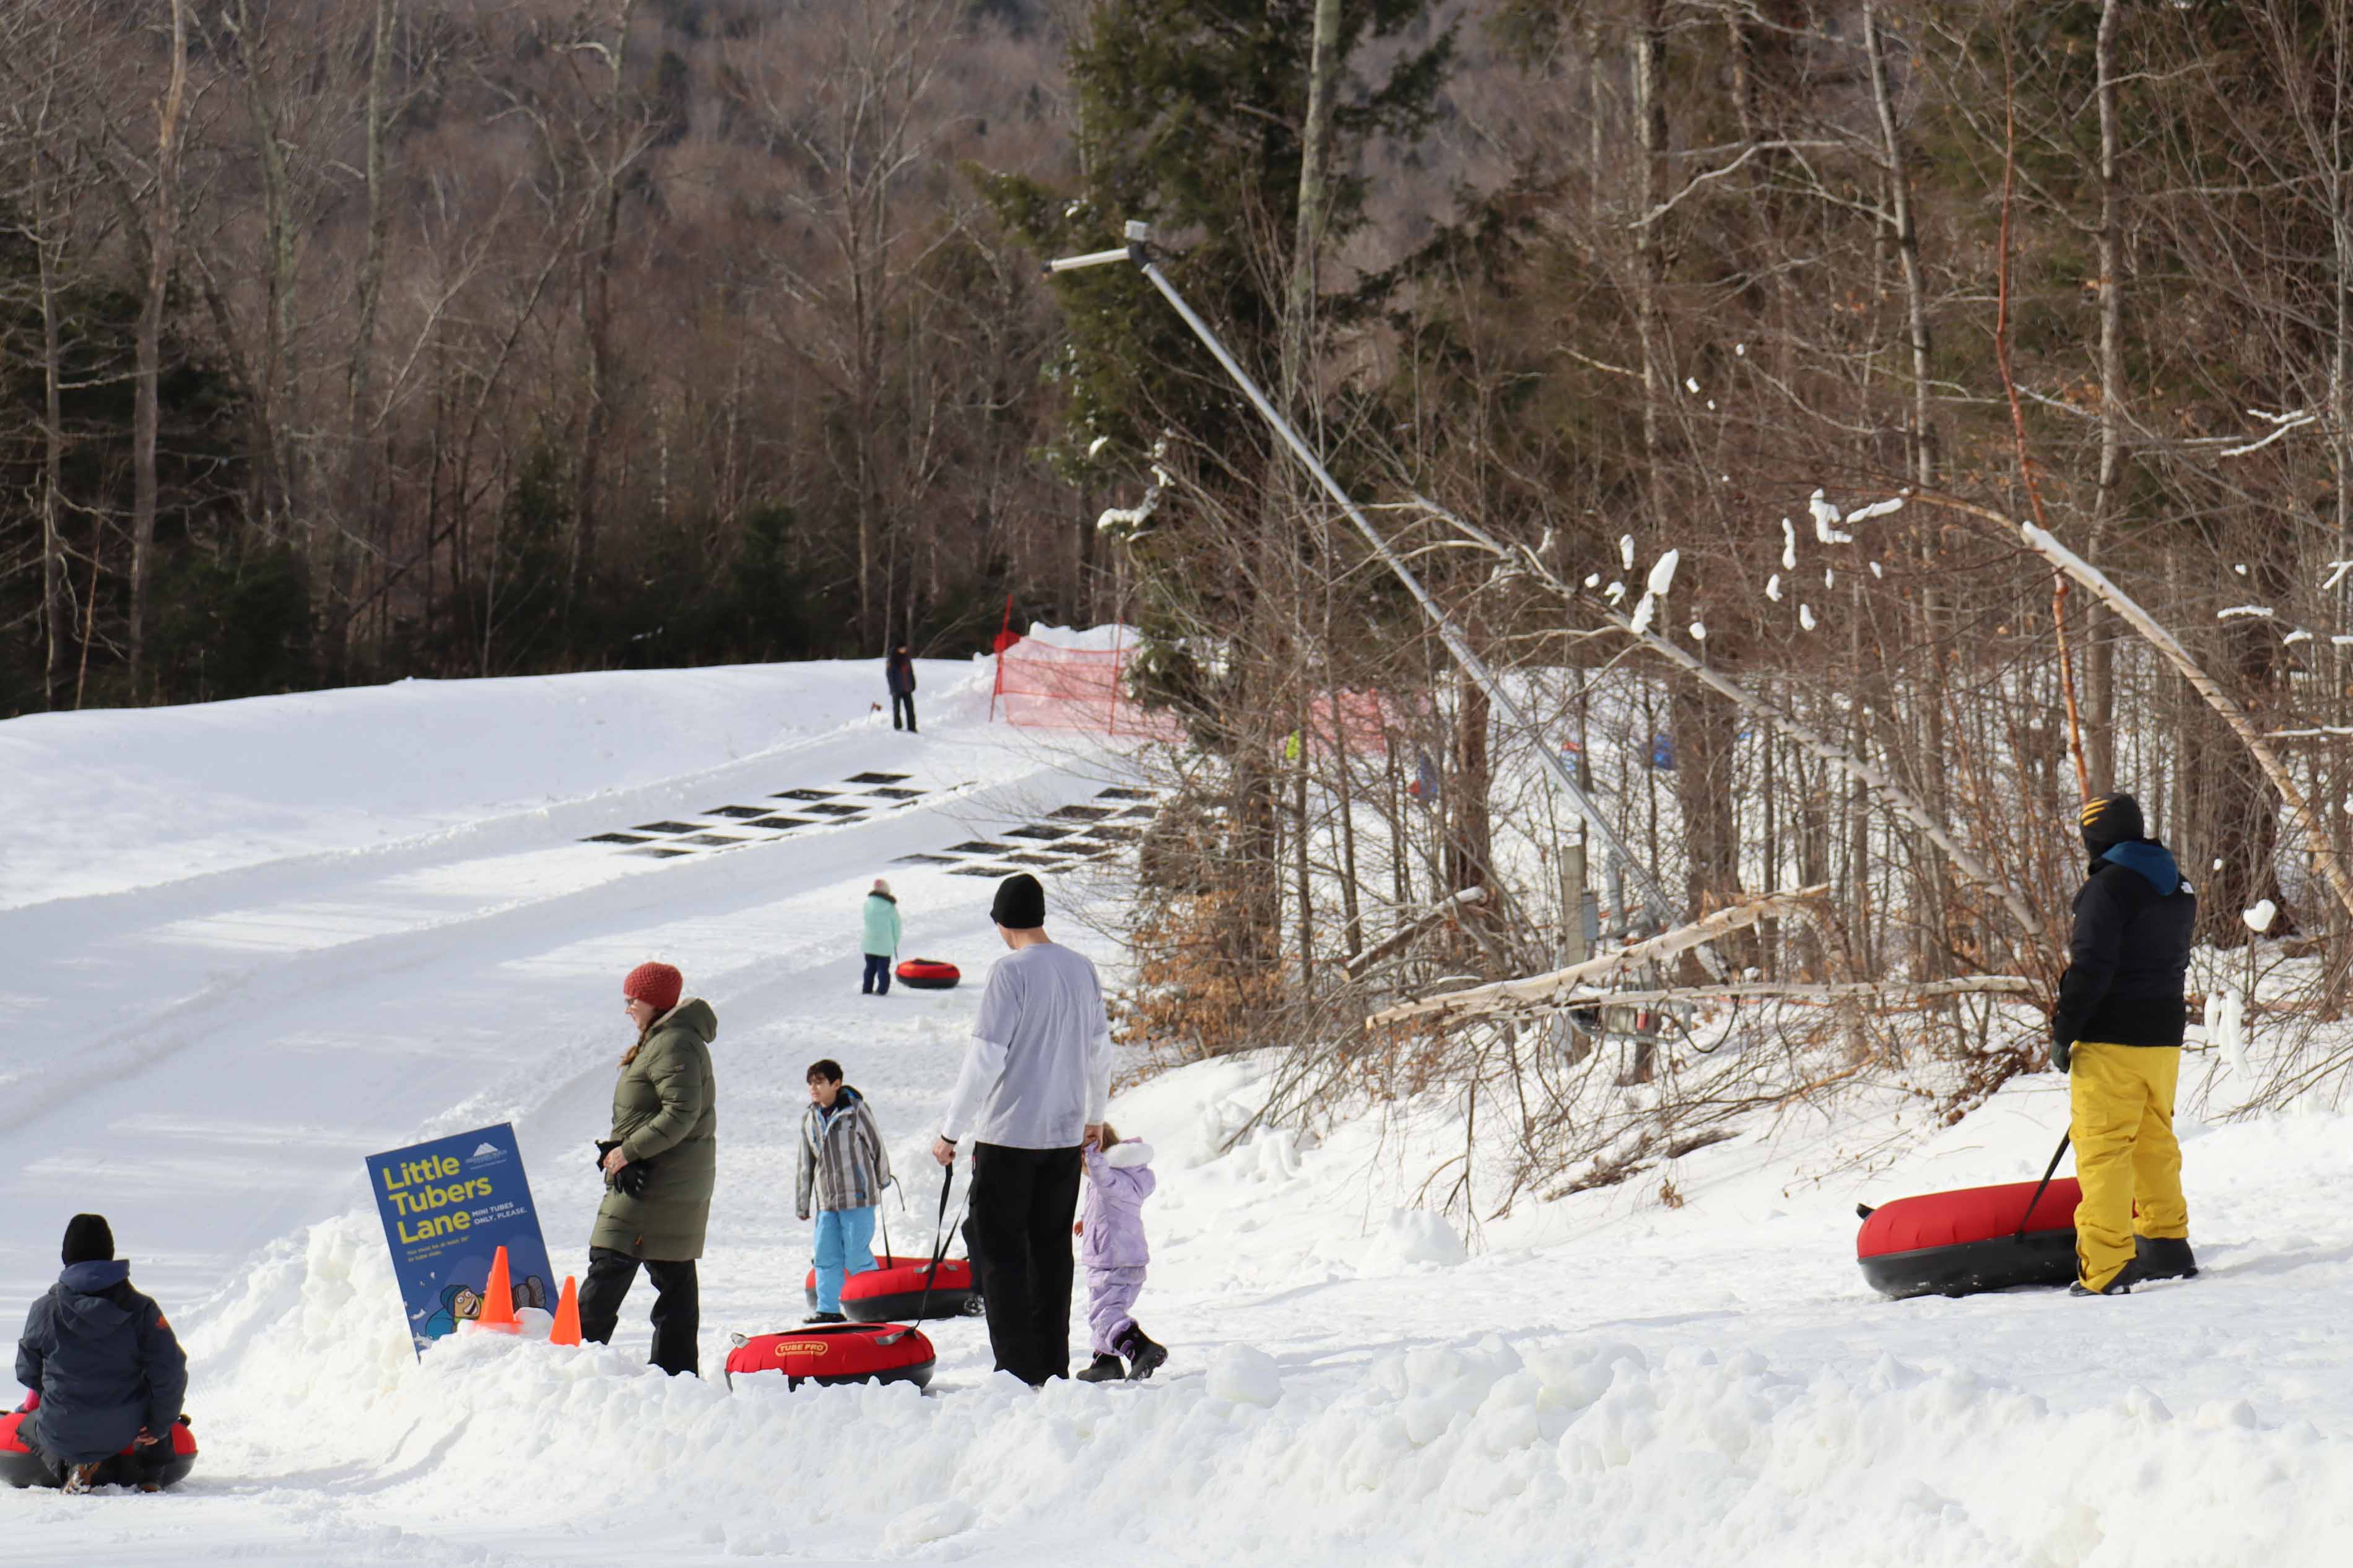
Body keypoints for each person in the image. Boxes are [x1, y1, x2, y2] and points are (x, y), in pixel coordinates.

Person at [931, 873, 1113, 1385]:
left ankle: (1015, 1368)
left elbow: (985, 1057)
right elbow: (1100, 1053)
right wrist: (1094, 1116)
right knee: (1052, 1252)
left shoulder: (1009, 972)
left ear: (1002, 922)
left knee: (1002, 1255)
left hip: (1009, 1137)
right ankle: (1053, 1363)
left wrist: (951, 1131)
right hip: (1062, 1138)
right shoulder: (1082, 969)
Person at [2051, 792, 2198, 1296]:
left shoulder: (2107, 888)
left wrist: (2064, 1029)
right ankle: (2166, 1241)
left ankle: (2108, 1263)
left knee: (2104, 1148)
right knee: (2153, 1140)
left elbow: (2090, 966)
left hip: (2111, 1035)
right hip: (2163, 1037)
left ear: (2096, 838)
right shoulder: (2177, 885)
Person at [580, 961, 718, 1374]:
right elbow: (656, 1110)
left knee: (609, 1260)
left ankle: (574, 1358)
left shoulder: (674, 1042)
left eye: (632, 1000)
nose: (628, 1009)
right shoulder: (663, 1039)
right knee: (672, 1276)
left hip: (656, 1185)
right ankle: (675, 1375)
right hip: (660, 1181)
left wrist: (630, 1151)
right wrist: (617, 1147)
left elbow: (682, 1112)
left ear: (655, 1002)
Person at [13, 1215, 188, 1493]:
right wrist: (159, 1424)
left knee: (23, 1426)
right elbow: (169, 1369)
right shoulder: (142, 1309)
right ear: (110, 1254)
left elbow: (27, 1369)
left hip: (63, 1424)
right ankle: (150, 1474)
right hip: (127, 1426)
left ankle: (71, 1467)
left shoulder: (45, 1308)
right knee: (157, 1406)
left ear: (66, 1256)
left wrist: (52, 1392)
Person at [797, 1059, 894, 1323]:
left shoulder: (856, 1111)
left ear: (836, 1084)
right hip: (828, 1201)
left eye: (819, 1082)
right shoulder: (810, 1118)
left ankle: (872, 1304)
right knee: (825, 1255)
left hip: (859, 1196)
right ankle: (828, 1309)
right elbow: (807, 1162)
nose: (814, 1088)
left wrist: (883, 1180)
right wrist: (803, 1202)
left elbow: (876, 1145)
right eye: (811, 1084)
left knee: (856, 1254)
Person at [1072, 1124, 1167, 1382]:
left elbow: (1105, 1183)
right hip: (1114, 1257)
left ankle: (1143, 1349)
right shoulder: (1120, 1178)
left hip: (1114, 1260)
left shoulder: (1113, 1176)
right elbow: (1107, 1203)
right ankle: (1105, 1362)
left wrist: (1091, 1151)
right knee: (1101, 1311)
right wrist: (1086, 1220)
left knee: (1106, 1314)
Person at [862, 878, 902, 997]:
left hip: (869, 942)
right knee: (883, 969)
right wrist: (895, 942)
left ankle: (867, 989)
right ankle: (882, 990)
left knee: (870, 968)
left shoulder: (867, 904)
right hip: (885, 945)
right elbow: (897, 927)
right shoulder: (890, 908)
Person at [887, 643, 918, 734]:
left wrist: (913, 683)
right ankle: (898, 726)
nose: (904, 649)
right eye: (902, 648)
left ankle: (912, 727)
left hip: (907, 687)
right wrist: (893, 688)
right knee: (897, 708)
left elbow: (911, 672)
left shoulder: (907, 658)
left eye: (905, 648)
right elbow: (890, 675)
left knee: (910, 708)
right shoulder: (892, 659)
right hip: (896, 689)